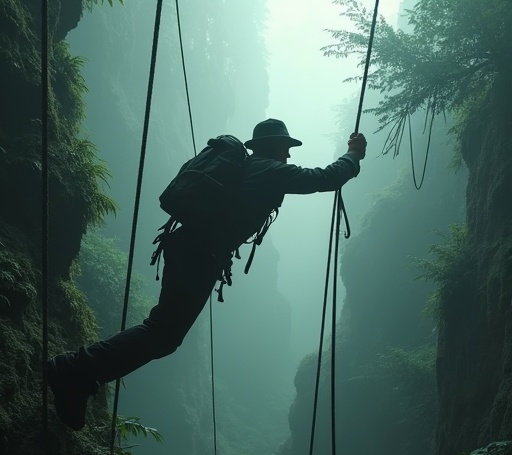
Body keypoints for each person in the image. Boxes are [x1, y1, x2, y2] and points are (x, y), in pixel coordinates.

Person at [48, 118, 367, 430]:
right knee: (162, 333)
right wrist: (353, 155)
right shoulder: (268, 170)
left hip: (194, 250)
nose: (288, 156)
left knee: (164, 335)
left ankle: (80, 374)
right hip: (198, 254)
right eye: (285, 148)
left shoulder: (252, 169)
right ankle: (75, 370)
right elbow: (324, 178)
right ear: (273, 147)